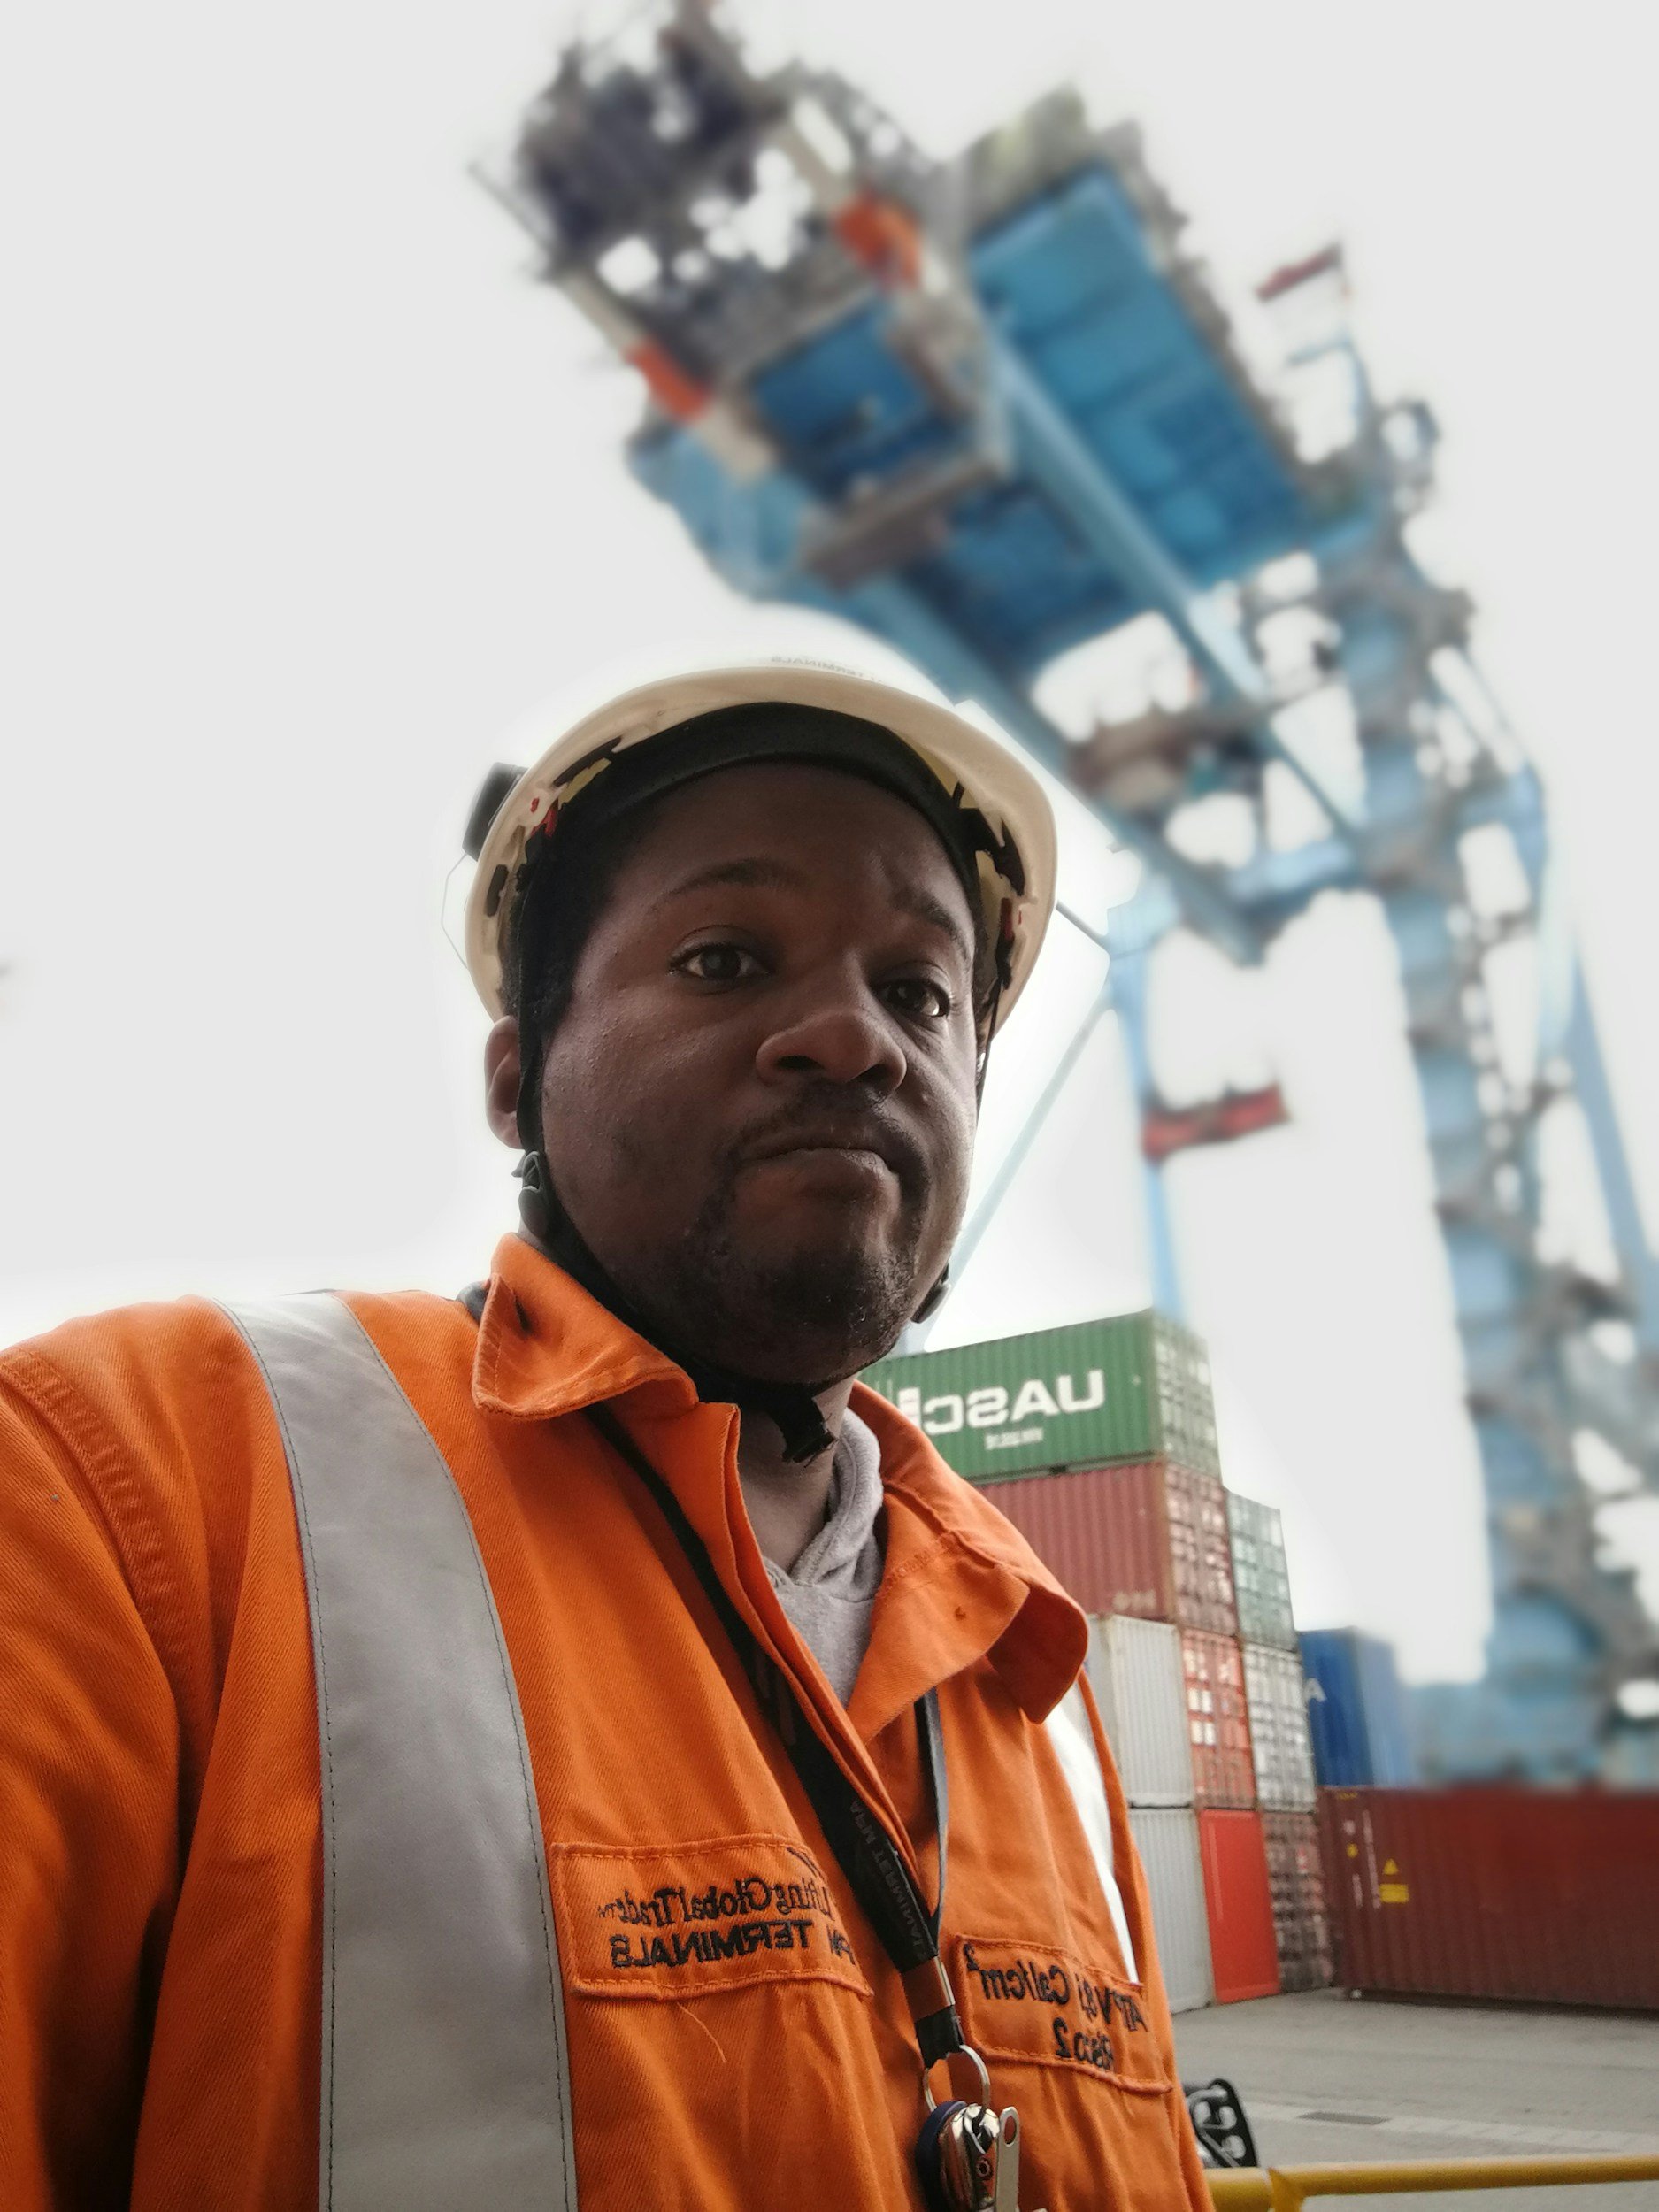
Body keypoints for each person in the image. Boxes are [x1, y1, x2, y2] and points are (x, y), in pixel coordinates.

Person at [1, 662, 1212, 2209]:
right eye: (724, 958)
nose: (851, 1039)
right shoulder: (146, 1476)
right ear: (519, 1082)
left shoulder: (1031, 1669)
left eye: (922, 991)